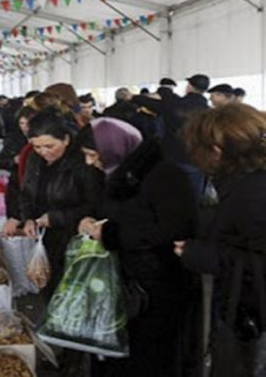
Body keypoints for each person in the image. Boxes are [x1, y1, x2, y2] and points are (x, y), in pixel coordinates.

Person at [76, 118, 198, 377]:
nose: (89, 162)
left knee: (148, 359)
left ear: (114, 147)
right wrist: (91, 221)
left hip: (157, 288)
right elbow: (112, 211)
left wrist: (111, 233)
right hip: (124, 283)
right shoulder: (117, 174)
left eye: (92, 154)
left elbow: (174, 229)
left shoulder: (165, 176)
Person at [176, 104, 266, 377]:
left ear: (217, 150)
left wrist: (198, 253)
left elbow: (258, 261)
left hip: (253, 318)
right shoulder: (249, 182)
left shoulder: (250, 193)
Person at [1, 111, 104, 297]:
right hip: (45, 237)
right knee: (49, 288)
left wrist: (56, 218)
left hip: (75, 239)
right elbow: (26, 193)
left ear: (65, 139)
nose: (44, 152)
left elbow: (95, 205)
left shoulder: (84, 163)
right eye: (37, 146)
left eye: (50, 146)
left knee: (71, 291)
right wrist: (29, 219)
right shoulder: (34, 158)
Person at [133, 73, 210, 195]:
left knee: (170, 196)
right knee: (192, 198)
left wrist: (133, 97)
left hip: (172, 156)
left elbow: (148, 102)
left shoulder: (174, 104)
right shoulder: (209, 111)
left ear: (189, 86)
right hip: (197, 159)